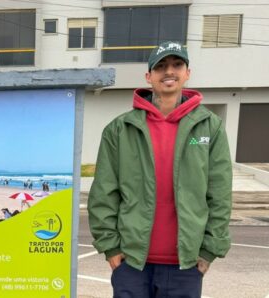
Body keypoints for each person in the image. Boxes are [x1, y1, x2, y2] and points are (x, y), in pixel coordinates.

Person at [87, 41, 232, 298]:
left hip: (186, 264)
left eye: (177, 65)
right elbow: (103, 193)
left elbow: (219, 194)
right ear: (149, 76)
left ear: (187, 73)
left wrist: (209, 250)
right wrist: (111, 247)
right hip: (132, 263)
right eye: (161, 66)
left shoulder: (210, 128)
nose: (169, 71)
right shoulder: (120, 130)